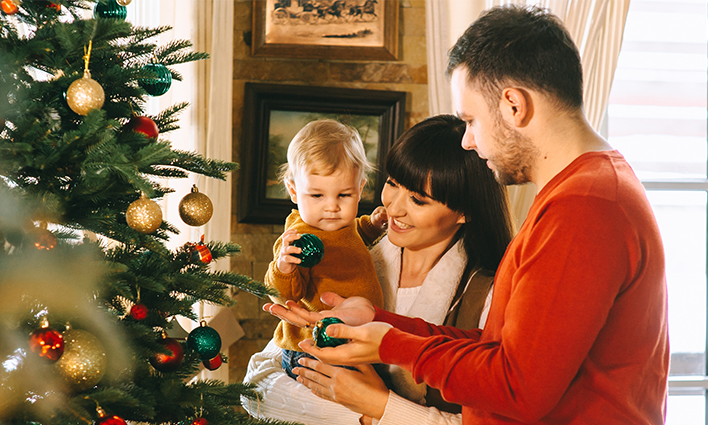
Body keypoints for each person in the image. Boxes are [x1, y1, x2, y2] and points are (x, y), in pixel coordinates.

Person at [267, 5, 669, 425]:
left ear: (514, 105)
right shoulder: (584, 191)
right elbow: (501, 351)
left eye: (471, 120)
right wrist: (378, 321)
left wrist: (390, 345)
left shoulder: (585, 209)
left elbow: (516, 388)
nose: (467, 142)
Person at [242, 115, 513, 424]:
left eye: (417, 200)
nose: (394, 208)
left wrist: (378, 407)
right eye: (392, 184)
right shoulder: (350, 252)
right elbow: (257, 380)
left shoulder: (487, 297)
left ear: (463, 211)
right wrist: (360, 412)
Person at [265, 119, 386, 380]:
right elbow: (285, 296)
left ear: (360, 189)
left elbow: (354, 235)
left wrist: (373, 226)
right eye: (317, 196)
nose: (332, 207)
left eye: (344, 195)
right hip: (314, 345)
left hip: (354, 335)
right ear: (294, 191)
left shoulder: (342, 225)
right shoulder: (297, 239)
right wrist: (284, 267)